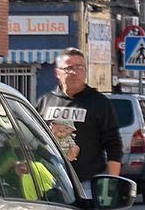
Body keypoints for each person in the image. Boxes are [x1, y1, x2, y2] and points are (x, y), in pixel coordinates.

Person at [36, 48, 122, 180]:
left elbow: (113, 144)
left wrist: (112, 181)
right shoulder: (45, 102)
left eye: (79, 67)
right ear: (57, 73)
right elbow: (33, 139)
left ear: (85, 72)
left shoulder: (99, 103)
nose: (74, 72)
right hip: (51, 181)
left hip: (88, 182)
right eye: (68, 68)